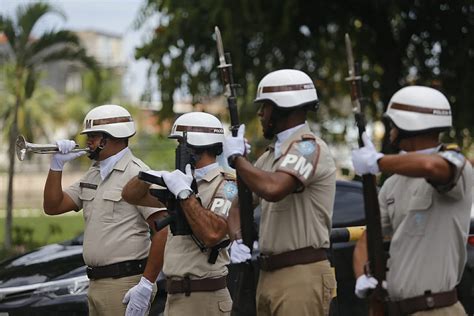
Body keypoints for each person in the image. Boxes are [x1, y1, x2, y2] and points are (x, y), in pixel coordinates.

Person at [223, 69, 337, 316]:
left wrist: (238, 160)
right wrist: (237, 238)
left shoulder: (309, 147)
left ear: (283, 108)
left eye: (265, 106)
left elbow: (274, 188)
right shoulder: (270, 156)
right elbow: (238, 206)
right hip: (267, 275)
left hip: (301, 274)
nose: (261, 113)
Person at [352, 86, 472, 315]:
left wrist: (378, 161)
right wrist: (362, 279)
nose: (390, 130)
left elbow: (430, 165)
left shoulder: (457, 166)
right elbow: (367, 241)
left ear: (409, 126)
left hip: (437, 309)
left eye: (393, 124)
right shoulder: (393, 183)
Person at [43, 104, 166, 316]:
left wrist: (146, 284)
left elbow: (163, 230)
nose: (88, 141)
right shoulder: (94, 174)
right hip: (95, 283)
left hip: (125, 282)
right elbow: (53, 206)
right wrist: (56, 166)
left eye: (94, 135)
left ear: (114, 137)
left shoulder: (137, 174)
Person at [122, 112, 236, 316]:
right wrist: (149, 177)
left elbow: (212, 234)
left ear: (196, 146)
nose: (178, 150)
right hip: (175, 297)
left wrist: (184, 194)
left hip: (206, 298)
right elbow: (130, 195)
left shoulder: (227, 185)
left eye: (181, 144)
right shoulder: (179, 181)